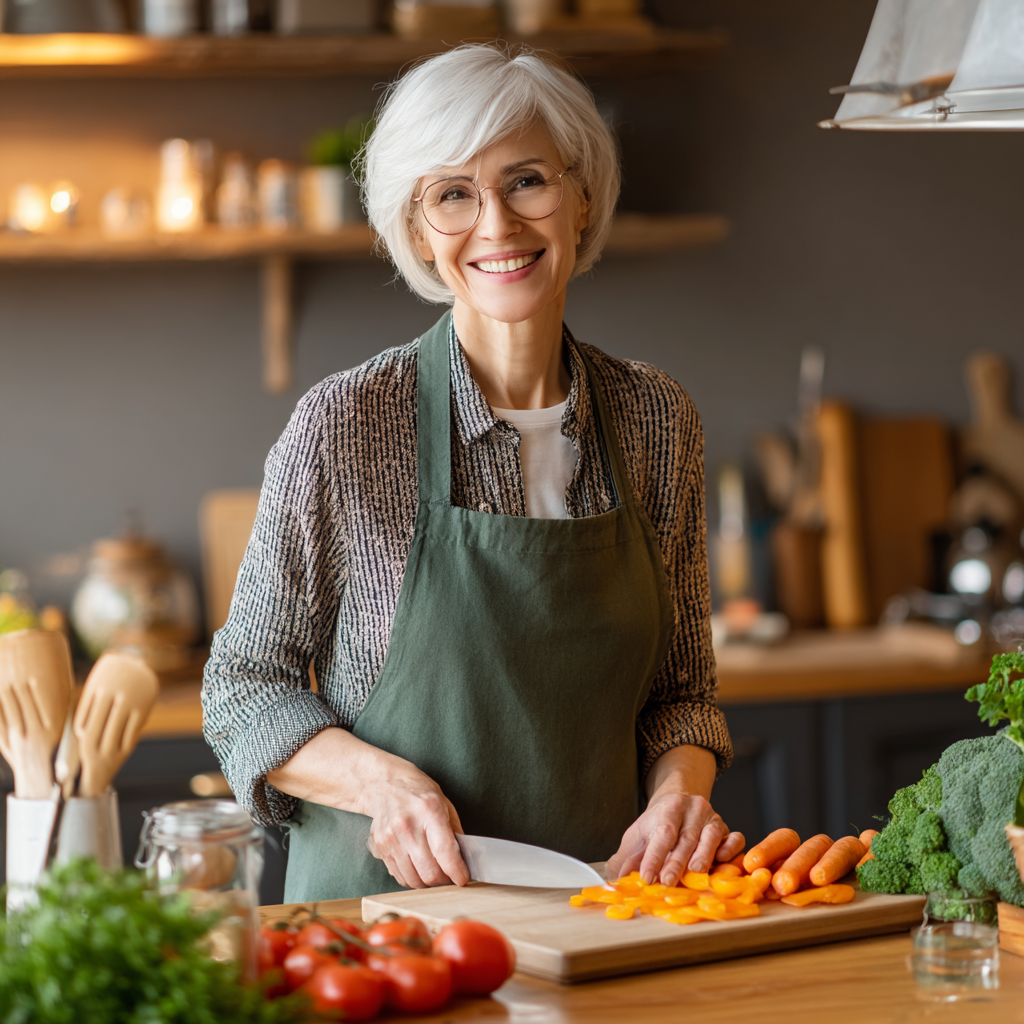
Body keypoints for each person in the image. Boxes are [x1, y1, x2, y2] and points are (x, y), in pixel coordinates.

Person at [203, 43, 739, 903]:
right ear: (419, 231)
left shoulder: (655, 419)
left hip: (600, 914)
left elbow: (681, 694)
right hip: (383, 925)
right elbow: (242, 689)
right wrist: (385, 785)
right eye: (453, 194)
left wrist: (681, 798)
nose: (496, 225)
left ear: (582, 195)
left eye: (527, 180)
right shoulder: (346, 425)